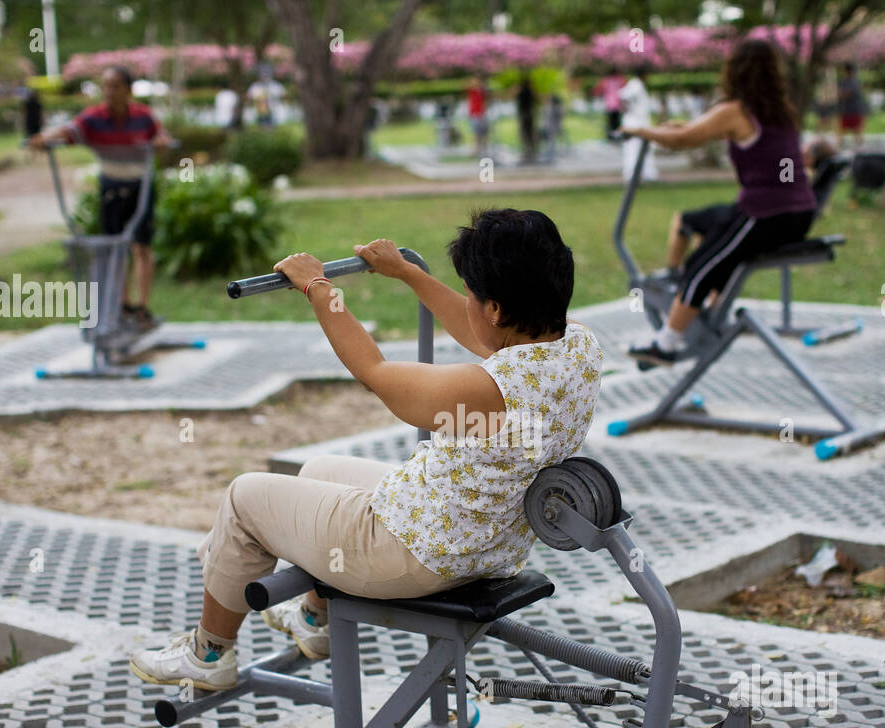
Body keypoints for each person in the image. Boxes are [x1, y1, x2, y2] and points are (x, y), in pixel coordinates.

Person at [129, 211, 604, 687]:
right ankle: (315, 623)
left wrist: (318, 288)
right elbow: (480, 331)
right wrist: (409, 274)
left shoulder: (489, 389)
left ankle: (208, 654)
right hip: (484, 540)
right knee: (318, 469)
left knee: (243, 498)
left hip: (417, 555)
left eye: (474, 295)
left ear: (496, 309)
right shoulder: (577, 346)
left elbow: (374, 371)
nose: (470, 305)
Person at [620, 38, 817, 366]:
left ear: (735, 72)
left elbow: (683, 140)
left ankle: (667, 343)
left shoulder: (736, 111)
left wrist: (640, 131)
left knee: (702, 265)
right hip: (797, 214)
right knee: (707, 229)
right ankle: (699, 309)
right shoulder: (782, 113)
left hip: (767, 214)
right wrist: (663, 129)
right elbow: (695, 129)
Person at [27, 65, 173, 329]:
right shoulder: (94, 118)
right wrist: (42, 138)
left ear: (128, 89)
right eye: (105, 86)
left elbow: (161, 137)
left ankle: (142, 307)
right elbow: (67, 130)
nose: (109, 92)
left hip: (140, 187)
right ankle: (123, 306)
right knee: (115, 247)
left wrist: (162, 143)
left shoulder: (143, 116)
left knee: (141, 246)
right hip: (111, 187)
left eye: (115, 86)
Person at [618, 63, 658, 184]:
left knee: (644, 149)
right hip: (635, 122)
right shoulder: (636, 85)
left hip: (639, 121)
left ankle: (647, 174)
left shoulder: (637, 84)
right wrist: (630, 108)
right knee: (633, 149)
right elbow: (623, 96)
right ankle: (632, 175)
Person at [837, 63, 866, 150]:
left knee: (856, 129)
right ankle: (840, 145)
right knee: (842, 129)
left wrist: (843, 93)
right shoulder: (843, 81)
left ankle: (860, 147)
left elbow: (848, 93)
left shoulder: (854, 82)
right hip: (846, 109)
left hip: (854, 109)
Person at [596, 67, 625, 136]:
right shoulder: (620, 80)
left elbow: (600, 89)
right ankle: (616, 135)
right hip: (617, 104)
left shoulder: (606, 80)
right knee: (616, 121)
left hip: (610, 104)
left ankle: (611, 135)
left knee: (610, 122)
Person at [517, 70, 537, 163]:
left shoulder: (522, 92)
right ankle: (530, 150)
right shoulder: (530, 91)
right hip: (528, 114)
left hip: (525, 115)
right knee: (529, 133)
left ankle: (528, 150)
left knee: (526, 133)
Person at [467, 75, 490, 157]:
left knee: (484, 133)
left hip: (482, 114)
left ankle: (483, 150)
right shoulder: (472, 91)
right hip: (475, 115)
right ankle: (476, 150)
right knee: (476, 133)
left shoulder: (482, 92)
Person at [813, 66, 838, 134]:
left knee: (830, 120)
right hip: (823, 102)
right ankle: (819, 133)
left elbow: (833, 93)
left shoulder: (832, 81)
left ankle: (829, 133)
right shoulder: (823, 82)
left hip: (829, 102)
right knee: (822, 120)